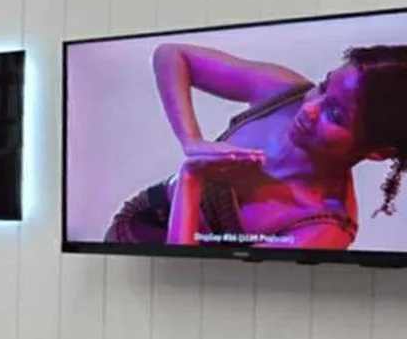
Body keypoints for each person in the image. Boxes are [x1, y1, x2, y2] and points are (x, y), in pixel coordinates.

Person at [104, 41, 407, 248]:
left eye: (335, 114)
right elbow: (171, 55)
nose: (310, 107)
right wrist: (191, 140)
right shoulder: (286, 92)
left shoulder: (325, 225)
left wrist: (191, 180)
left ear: (379, 152)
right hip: (133, 223)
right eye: (324, 87)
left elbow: (192, 284)